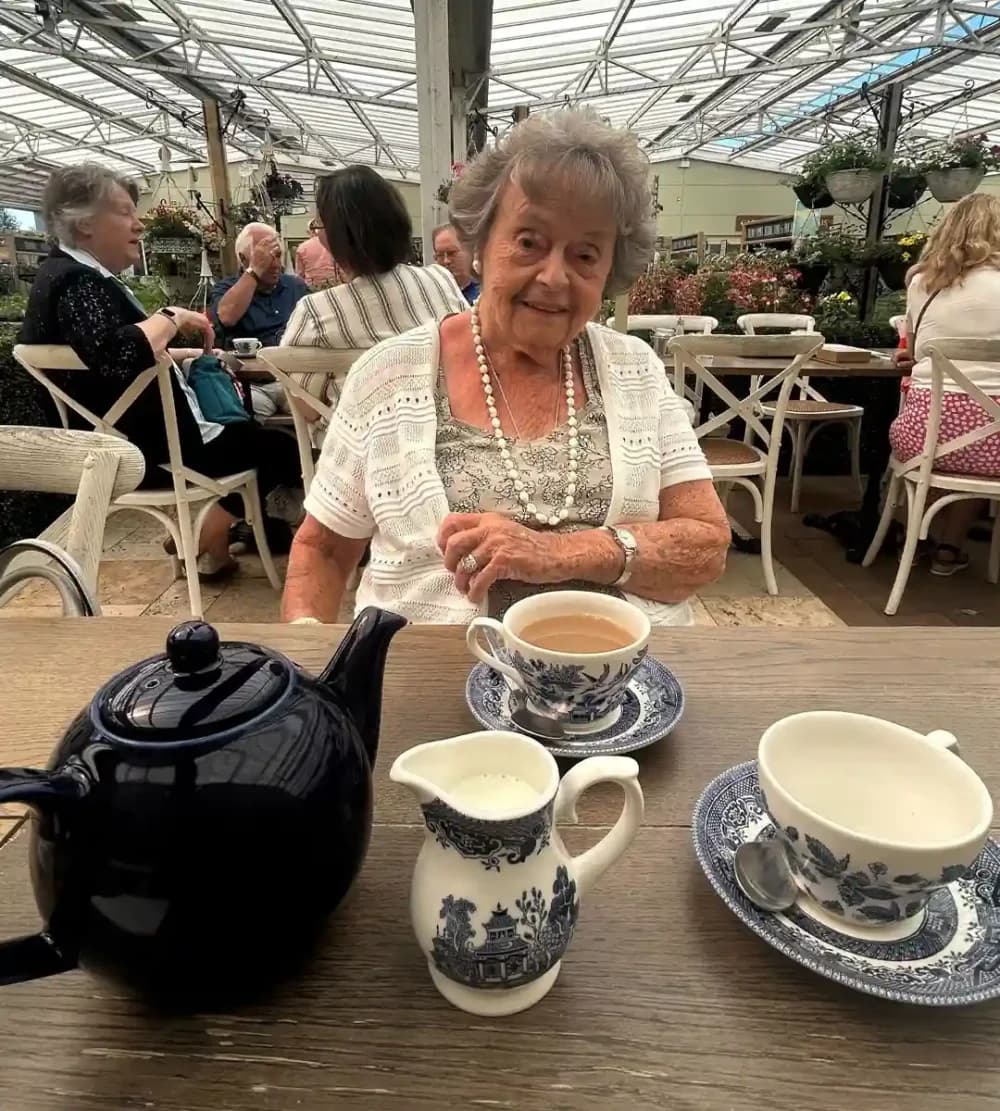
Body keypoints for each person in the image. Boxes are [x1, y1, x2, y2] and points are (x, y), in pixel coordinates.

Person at [282, 109, 729, 625]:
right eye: (529, 242)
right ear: (482, 244)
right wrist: (308, 671)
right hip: (428, 675)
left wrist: (561, 555)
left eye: (586, 254)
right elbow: (322, 550)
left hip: (623, 686)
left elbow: (705, 545)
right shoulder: (387, 374)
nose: (555, 276)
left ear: (609, 271)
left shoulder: (636, 370)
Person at [21, 163, 303, 575]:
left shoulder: (72, 276)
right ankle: (200, 540)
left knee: (258, 437)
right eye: (124, 212)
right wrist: (172, 315)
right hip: (147, 451)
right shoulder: (75, 282)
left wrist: (185, 355)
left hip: (139, 440)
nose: (138, 224)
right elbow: (117, 355)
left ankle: (214, 551)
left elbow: (110, 358)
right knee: (282, 448)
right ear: (83, 225)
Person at [281, 165, 467, 410]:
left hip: (364, 443)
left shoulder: (317, 312)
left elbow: (304, 407)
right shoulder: (440, 280)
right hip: (452, 431)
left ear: (336, 236)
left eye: (318, 226)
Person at [890, 192, 1000, 576]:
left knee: (938, 436)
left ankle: (912, 535)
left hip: (925, 437)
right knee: (984, 436)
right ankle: (949, 548)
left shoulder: (923, 282)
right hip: (995, 446)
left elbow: (918, 349)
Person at [210, 222, 308, 349]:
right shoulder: (226, 288)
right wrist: (255, 270)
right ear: (243, 258)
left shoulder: (295, 286)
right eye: (264, 258)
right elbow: (226, 317)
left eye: (277, 256)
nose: (275, 264)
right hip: (251, 366)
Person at [433, 221, 480, 303]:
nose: (446, 261)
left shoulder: (485, 294)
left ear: (470, 252)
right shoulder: (432, 296)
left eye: (452, 253)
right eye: (440, 255)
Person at [295, 217, 344, 288]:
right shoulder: (333, 244)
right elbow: (342, 270)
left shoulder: (302, 248)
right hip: (333, 284)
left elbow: (299, 275)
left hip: (312, 286)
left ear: (310, 231)